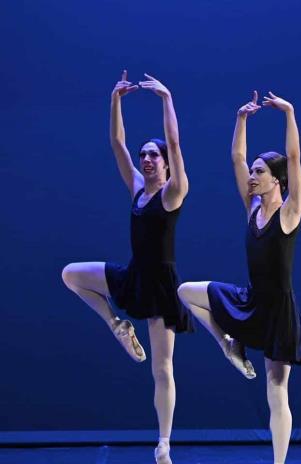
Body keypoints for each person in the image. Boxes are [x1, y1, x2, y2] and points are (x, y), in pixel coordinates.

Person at [62, 71, 190, 464]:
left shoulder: (173, 191)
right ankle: (117, 325)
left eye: (154, 155)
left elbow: (174, 141)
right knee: (71, 274)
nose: (148, 158)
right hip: (134, 275)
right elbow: (117, 142)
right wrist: (114, 100)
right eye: (144, 154)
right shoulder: (137, 188)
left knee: (162, 368)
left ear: (166, 164)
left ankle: (163, 443)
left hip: (161, 284)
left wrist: (166, 98)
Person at [177, 91, 301, 464]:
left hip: (278, 310)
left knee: (277, 388)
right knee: (187, 292)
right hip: (249, 299)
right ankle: (229, 344)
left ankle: (279, 462)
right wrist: (241, 119)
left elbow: (295, 158)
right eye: (252, 172)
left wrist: (289, 112)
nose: (251, 177)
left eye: (259, 172)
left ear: (276, 179)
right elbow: (236, 157)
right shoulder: (252, 207)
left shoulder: (290, 212)